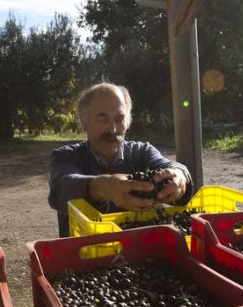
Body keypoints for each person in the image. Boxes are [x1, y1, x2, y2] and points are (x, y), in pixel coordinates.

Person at [48, 83, 193, 237]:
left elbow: (169, 166)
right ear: (84, 121)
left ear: (128, 121)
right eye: (103, 119)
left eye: (119, 119)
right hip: (84, 254)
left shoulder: (142, 152)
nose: (113, 129)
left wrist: (180, 176)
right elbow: (60, 189)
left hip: (139, 252)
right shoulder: (66, 156)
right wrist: (102, 186)